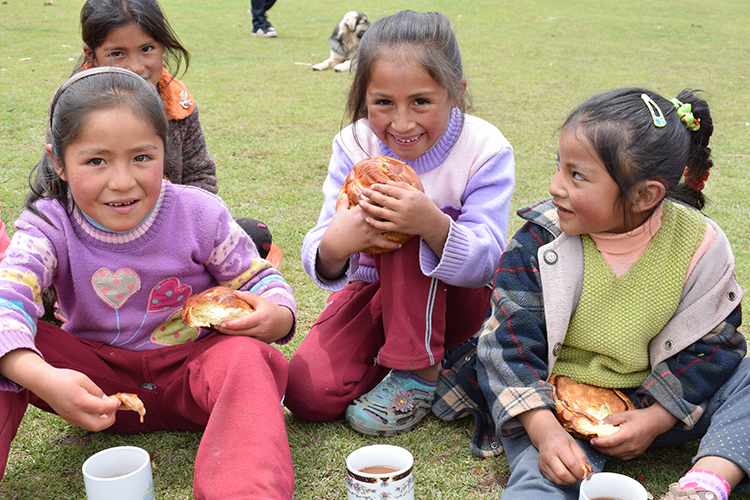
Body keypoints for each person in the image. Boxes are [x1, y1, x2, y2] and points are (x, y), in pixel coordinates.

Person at [433, 87, 748, 500]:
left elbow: (716, 346)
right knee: (545, 478)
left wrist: (656, 416)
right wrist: (545, 433)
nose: (555, 186)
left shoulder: (700, 245)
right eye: (559, 167)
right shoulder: (539, 241)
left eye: (577, 175)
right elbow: (508, 346)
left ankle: (705, 482)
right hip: (553, 408)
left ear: (645, 195)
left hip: (657, 403)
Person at [0, 67, 296, 499]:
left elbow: (260, 277)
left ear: (164, 151)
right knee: (9, 343)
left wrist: (277, 313)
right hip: (93, 388)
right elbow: (8, 299)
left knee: (248, 358)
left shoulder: (199, 212)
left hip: (193, 379)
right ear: (58, 162)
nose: (122, 181)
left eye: (142, 157)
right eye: (96, 160)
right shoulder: (48, 223)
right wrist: (39, 376)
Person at [285, 10, 516, 437]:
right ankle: (444, 363)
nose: (403, 122)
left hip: (459, 300)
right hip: (374, 294)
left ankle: (417, 373)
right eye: (383, 103)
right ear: (362, 95)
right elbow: (321, 244)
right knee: (307, 393)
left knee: (404, 212)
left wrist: (433, 224)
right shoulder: (353, 143)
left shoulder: (486, 148)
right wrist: (338, 243)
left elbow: (489, 260)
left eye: (422, 102)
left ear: (455, 93)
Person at [69, 0, 274, 258]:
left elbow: (200, 176)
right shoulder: (73, 109)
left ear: (162, 47)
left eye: (146, 49)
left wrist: (179, 224)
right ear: (92, 55)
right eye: (117, 53)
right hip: (96, 241)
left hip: (171, 230)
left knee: (253, 235)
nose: (136, 66)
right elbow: (56, 191)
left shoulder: (179, 104)